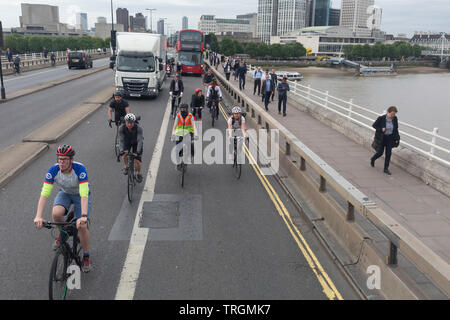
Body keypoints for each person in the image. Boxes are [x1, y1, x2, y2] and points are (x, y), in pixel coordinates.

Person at [34, 145, 92, 272]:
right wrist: (38, 215)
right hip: (65, 193)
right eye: (59, 159)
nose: (61, 162)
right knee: (56, 214)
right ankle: (64, 234)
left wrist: (83, 216)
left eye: (65, 159)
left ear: (71, 160)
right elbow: (44, 193)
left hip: (80, 195)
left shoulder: (79, 168)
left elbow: (83, 194)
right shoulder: (53, 170)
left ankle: (86, 256)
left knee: (82, 226)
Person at [370, 106, 400, 175]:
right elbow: (374, 125)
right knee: (380, 153)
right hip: (382, 138)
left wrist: (397, 138)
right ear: (388, 112)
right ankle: (373, 159)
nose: (393, 115)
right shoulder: (381, 118)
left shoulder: (394, 119)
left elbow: (396, 129)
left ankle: (386, 168)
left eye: (394, 114)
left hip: (390, 138)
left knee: (388, 153)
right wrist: (381, 129)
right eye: (392, 114)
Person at [171, 103, 198, 170]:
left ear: (186, 109)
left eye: (184, 109)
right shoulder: (178, 115)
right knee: (177, 150)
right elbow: (174, 127)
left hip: (188, 133)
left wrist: (196, 134)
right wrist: (173, 135)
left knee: (191, 144)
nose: (182, 110)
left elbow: (194, 126)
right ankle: (178, 163)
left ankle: (191, 154)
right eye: (181, 109)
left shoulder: (190, 116)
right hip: (179, 133)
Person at [119, 113, 144, 183]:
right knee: (124, 155)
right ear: (125, 122)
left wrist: (138, 151)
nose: (130, 125)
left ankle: (139, 174)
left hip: (136, 143)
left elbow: (140, 140)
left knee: (137, 161)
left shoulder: (139, 128)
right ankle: (126, 167)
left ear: (134, 122)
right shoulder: (121, 128)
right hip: (127, 142)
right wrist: (121, 150)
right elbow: (121, 140)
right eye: (128, 123)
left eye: (131, 123)